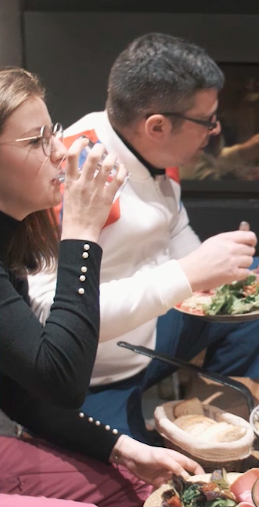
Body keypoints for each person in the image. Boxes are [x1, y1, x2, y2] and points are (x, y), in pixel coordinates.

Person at [27, 33, 259, 445]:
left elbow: (174, 227)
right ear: (158, 126)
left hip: (152, 331)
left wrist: (220, 270)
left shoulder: (155, 152)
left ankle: (215, 415)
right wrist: (186, 274)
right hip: (96, 374)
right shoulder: (77, 173)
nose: (215, 131)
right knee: (139, 487)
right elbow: (45, 319)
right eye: (207, 121)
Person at [0, 67, 202, 507]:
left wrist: (125, 449)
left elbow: (20, 391)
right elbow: (62, 381)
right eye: (36, 142)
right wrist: (80, 234)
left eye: (52, 132)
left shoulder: (11, 237)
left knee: (139, 484)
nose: (60, 150)